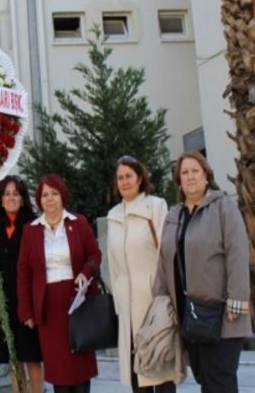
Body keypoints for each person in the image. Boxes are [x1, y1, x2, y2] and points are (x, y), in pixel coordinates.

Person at [153, 151, 252, 393]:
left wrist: (236, 303)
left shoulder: (223, 207)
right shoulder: (174, 216)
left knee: (220, 383)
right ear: (179, 180)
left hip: (221, 317)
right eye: (184, 173)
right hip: (190, 318)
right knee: (206, 382)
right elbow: (164, 263)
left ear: (206, 176)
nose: (190, 177)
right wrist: (159, 305)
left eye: (195, 171)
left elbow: (238, 256)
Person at [17, 174, 101, 393]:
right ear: (39, 200)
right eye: (45, 195)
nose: (50, 199)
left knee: (80, 366)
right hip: (48, 309)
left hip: (77, 304)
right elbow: (23, 272)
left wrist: (86, 271)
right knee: (59, 371)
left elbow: (94, 254)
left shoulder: (78, 223)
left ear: (62, 196)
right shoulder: (31, 230)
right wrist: (26, 310)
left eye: (54, 193)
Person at [106, 156, 177, 392]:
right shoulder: (113, 215)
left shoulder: (155, 206)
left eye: (129, 176)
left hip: (154, 302)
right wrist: (119, 304)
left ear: (139, 178)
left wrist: (167, 297)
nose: (124, 181)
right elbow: (113, 265)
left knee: (161, 369)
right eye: (120, 177)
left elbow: (167, 254)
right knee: (138, 377)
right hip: (127, 307)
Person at [0, 175, 44, 393]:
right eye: (7, 194)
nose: (11, 198)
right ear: (0, 198)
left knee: (32, 359)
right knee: (13, 360)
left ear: (23, 198)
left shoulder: (34, 225)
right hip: (3, 304)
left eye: (16, 193)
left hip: (27, 304)